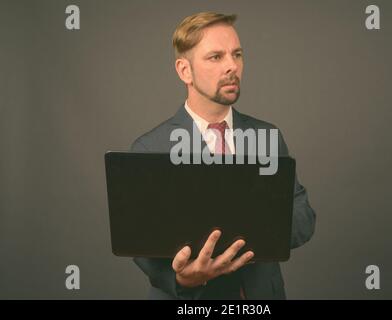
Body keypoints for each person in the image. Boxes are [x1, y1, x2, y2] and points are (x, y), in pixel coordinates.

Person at [131, 12, 316, 300]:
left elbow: (303, 216)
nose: (232, 66)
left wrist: (248, 236)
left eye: (237, 54)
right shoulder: (149, 148)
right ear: (184, 71)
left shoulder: (268, 136)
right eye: (216, 57)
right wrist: (182, 278)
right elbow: (141, 243)